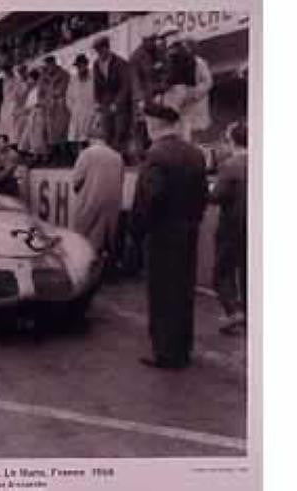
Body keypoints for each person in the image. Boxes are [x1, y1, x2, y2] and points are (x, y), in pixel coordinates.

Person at [132, 97, 207, 370]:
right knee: (183, 291)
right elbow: (202, 197)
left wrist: (138, 231)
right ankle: (183, 348)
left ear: (155, 124)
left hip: (163, 234)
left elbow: (150, 198)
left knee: (162, 293)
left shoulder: (156, 155)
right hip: (189, 230)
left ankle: (165, 352)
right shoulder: (195, 153)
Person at [210, 120, 247, 335]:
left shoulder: (231, 165)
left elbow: (216, 196)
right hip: (253, 226)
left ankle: (233, 311)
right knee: (248, 270)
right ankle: (250, 313)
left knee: (222, 271)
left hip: (231, 225)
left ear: (231, 140)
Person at [72, 116, 124, 261]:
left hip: (90, 202)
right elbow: (121, 180)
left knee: (85, 239)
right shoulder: (117, 156)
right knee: (105, 238)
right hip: (112, 203)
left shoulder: (86, 154)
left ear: (90, 138)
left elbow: (76, 181)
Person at [91, 36, 133, 155]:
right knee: (107, 132)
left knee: (120, 132)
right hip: (105, 103)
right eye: (97, 50)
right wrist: (97, 101)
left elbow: (126, 85)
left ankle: (121, 157)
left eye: (100, 50)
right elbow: (96, 84)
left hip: (120, 103)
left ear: (107, 48)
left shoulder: (120, 63)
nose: (98, 53)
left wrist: (118, 103)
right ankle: (110, 158)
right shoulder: (96, 64)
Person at [40, 55, 71, 165]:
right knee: (50, 134)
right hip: (49, 108)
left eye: (51, 63)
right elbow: (41, 94)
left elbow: (67, 89)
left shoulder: (64, 75)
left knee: (63, 131)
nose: (49, 66)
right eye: (47, 64)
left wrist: (57, 97)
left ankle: (66, 157)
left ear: (55, 63)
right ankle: (55, 157)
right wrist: (44, 103)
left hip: (61, 106)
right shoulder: (43, 77)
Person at [66, 54, 96, 155]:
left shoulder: (94, 77)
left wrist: (96, 108)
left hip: (91, 110)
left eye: (82, 65)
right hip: (77, 111)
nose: (80, 68)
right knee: (77, 137)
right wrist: (73, 109)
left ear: (86, 64)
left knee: (90, 137)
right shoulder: (73, 79)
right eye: (78, 66)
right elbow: (69, 96)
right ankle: (80, 158)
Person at [18, 68, 48, 165]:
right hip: (31, 113)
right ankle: (35, 155)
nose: (29, 81)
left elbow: (42, 101)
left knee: (39, 135)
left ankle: (43, 156)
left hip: (39, 112)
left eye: (30, 79)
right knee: (31, 136)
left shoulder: (40, 88)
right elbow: (27, 105)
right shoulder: (31, 91)